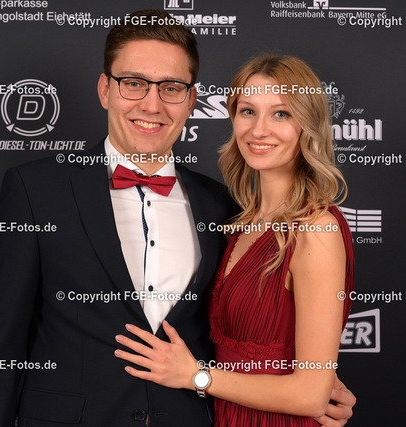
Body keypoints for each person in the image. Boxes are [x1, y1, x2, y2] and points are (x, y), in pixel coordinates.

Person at [0, 9, 355, 426]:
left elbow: (257, 332)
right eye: (133, 83)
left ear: (191, 100)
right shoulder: (35, 190)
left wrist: (316, 388)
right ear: (105, 90)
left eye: (171, 88)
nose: (151, 105)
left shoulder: (220, 206)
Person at [114, 53, 355, 426]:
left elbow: (310, 395)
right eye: (248, 111)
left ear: (307, 124)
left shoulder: (315, 229)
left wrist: (196, 376)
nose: (259, 130)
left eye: (281, 114)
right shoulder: (238, 220)